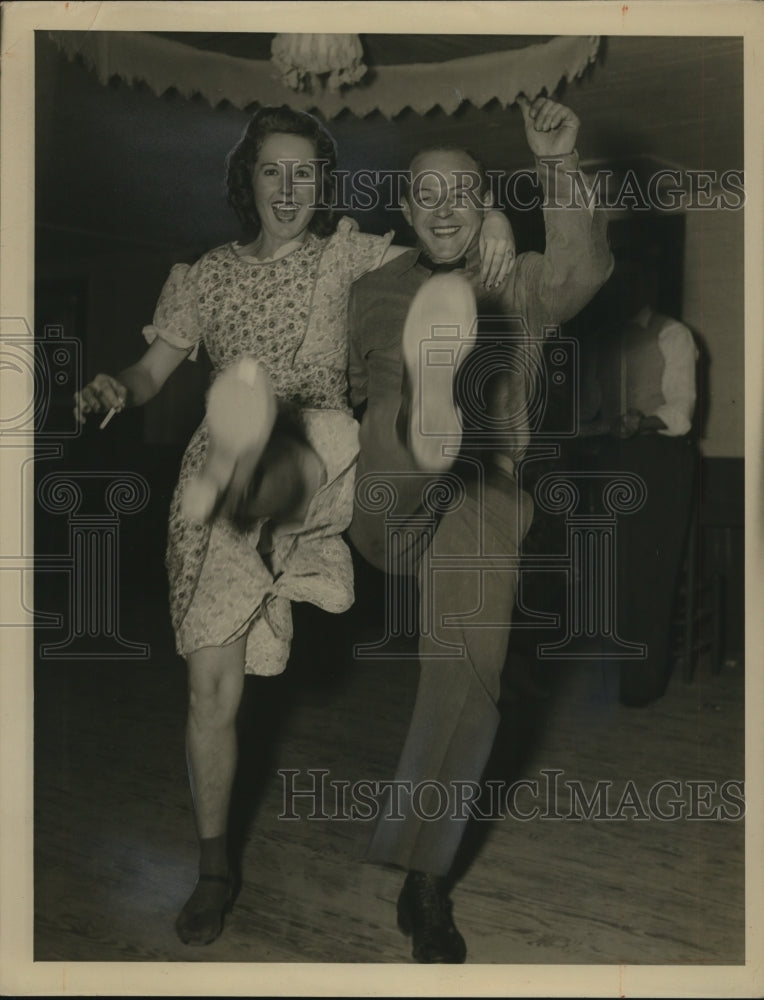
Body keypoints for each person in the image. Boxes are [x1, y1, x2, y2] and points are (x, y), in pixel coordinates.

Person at [72, 104, 515, 947]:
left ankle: (356, 443)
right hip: (219, 476)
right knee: (210, 689)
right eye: (272, 171)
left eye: (304, 172)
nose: (288, 187)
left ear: (323, 184)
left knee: (311, 435)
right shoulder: (201, 275)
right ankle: (213, 868)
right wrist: (113, 389)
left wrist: (491, 211)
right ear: (249, 181)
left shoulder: (349, 254)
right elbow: (150, 368)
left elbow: (442, 232)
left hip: (321, 449)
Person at [345, 94, 613, 963]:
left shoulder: (522, 278)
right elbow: (342, 383)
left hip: (485, 489)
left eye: (466, 191)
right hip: (387, 491)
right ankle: (428, 410)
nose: (447, 205)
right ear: (406, 209)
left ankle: (426, 879)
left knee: (468, 670)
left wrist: (558, 170)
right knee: (382, 444)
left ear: (483, 199)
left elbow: (584, 272)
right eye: (428, 193)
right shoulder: (374, 289)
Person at [579, 243, 700, 706]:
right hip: (610, 463)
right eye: (615, 282)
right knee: (609, 573)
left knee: (648, 574)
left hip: (659, 463)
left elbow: (682, 410)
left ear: (650, 284)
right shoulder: (601, 339)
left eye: (631, 280)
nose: (622, 289)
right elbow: (590, 409)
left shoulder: (674, 335)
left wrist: (639, 420)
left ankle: (641, 687)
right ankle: (612, 680)